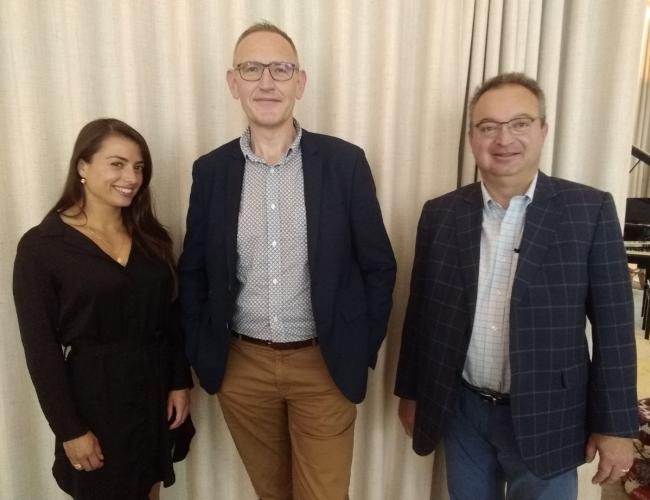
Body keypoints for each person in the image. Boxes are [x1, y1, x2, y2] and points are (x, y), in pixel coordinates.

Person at [395, 73, 638, 499]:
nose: (503, 139)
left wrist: (616, 425)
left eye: (519, 124)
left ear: (543, 130)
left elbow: (614, 329)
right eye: (488, 127)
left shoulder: (588, 210)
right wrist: (412, 394)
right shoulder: (441, 214)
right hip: (463, 411)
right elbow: (421, 315)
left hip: (550, 414)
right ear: (472, 138)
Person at [179, 22, 396, 500]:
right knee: (272, 493)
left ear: (300, 81)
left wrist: (359, 345)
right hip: (242, 368)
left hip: (324, 364)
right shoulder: (211, 172)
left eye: (280, 69)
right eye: (251, 69)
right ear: (233, 82)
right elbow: (193, 272)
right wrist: (201, 348)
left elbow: (379, 265)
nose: (267, 82)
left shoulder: (344, 164)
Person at [13, 118, 194, 500]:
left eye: (139, 167)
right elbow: (41, 350)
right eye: (117, 164)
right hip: (93, 400)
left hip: (152, 392)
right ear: (83, 165)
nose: (131, 177)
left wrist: (179, 382)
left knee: (148, 491)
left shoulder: (151, 239)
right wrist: (70, 429)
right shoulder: (42, 247)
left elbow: (170, 318)